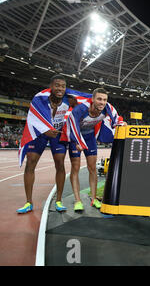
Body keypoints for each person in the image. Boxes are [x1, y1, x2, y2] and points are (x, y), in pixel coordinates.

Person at [17, 75, 73, 213]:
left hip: (57, 134)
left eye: (63, 86)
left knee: (60, 163)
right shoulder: (39, 98)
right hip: (40, 133)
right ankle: (28, 203)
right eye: (57, 85)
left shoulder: (69, 100)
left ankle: (59, 201)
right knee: (30, 162)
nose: (60, 88)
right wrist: (45, 129)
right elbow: (32, 117)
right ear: (51, 86)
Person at [66, 87, 126, 211]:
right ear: (92, 99)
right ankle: (78, 201)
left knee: (92, 168)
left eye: (104, 100)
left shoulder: (109, 108)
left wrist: (122, 123)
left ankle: (94, 199)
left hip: (90, 136)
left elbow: (117, 122)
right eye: (99, 99)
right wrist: (78, 141)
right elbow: (72, 125)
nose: (102, 102)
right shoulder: (81, 109)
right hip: (75, 135)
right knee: (75, 167)